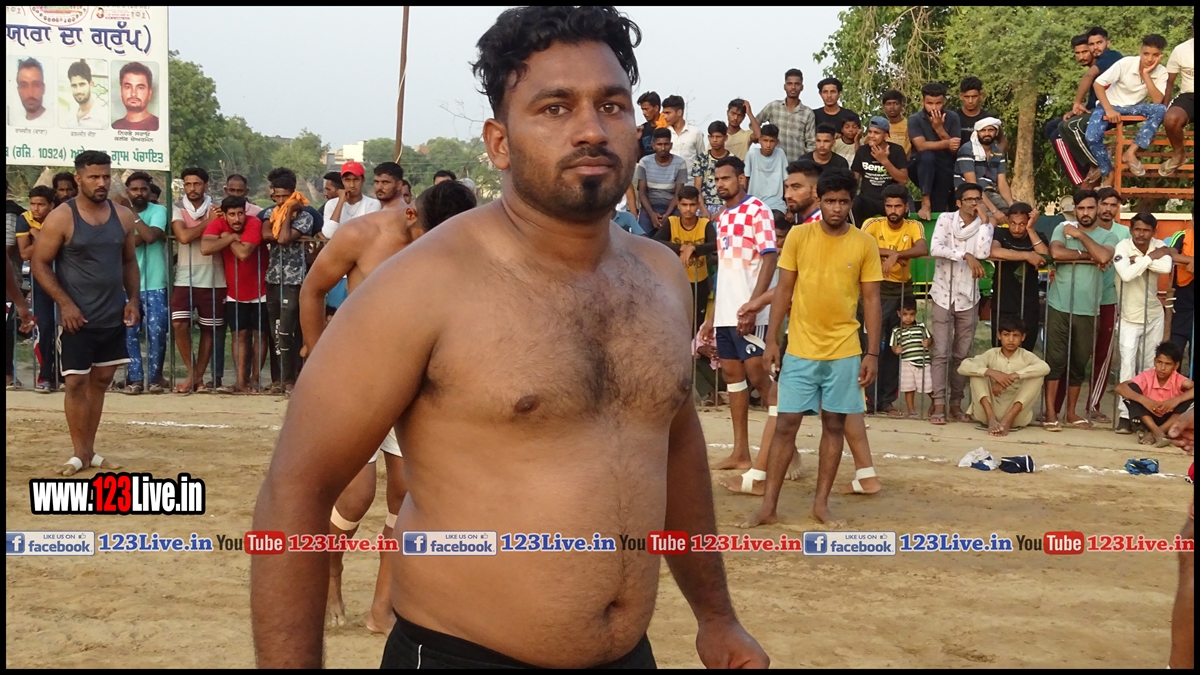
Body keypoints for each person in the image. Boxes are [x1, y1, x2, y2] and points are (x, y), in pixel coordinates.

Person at [251, 6, 768, 669]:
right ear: (498, 142)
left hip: (628, 656)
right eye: (555, 108)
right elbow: (295, 491)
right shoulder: (421, 285)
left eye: (611, 106)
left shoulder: (663, 276)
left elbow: (675, 446)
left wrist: (717, 616)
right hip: (460, 655)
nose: (591, 128)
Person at [299, 184, 474, 635]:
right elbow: (313, 290)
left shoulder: (460, 244)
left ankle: (383, 606)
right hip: (355, 380)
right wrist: (318, 358)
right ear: (412, 215)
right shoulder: (361, 235)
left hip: (418, 386)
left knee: (406, 497)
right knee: (355, 496)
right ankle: (330, 574)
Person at [740, 168, 883, 528]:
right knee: (785, 424)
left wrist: (872, 352)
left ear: (851, 203)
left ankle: (821, 504)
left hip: (845, 349)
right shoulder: (799, 236)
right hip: (801, 347)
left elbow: (871, 299)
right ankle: (768, 507)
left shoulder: (864, 243)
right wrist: (772, 340)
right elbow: (784, 291)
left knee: (834, 425)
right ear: (819, 200)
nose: (836, 208)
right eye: (830, 201)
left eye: (843, 202)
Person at [29, 151, 137, 476]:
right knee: (76, 382)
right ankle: (79, 453)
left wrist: (133, 299)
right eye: (94, 177)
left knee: (101, 381)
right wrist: (65, 304)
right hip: (76, 318)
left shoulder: (123, 216)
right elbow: (39, 263)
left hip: (112, 315)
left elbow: (129, 261)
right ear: (78, 179)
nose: (101, 182)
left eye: (106, 176)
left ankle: (89, 451)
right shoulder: (61, 217)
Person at [703, 156, 778, 472]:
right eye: (717, 179)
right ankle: (740, 452)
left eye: (726, 178)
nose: (721, 184)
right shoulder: (720, 218)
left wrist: (755, 304)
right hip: (725, 312)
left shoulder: (758, 210)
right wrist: (712, 316)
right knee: (732, 378)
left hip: (751, 312)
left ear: (741, 179)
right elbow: (724, 270)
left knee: (759, 377)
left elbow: (770, 257)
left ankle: (784, 449)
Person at [1044, 189, 1118, 431]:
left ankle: (1071, 413)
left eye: (1090, 208)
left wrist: (1079, 236)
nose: (1086, 213)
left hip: (1089, 309)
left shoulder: (1108, 236)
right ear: (1074, 209)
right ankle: (1050, 413)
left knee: (1079, 363)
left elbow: (1104, 256)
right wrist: (1089, 255)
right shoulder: (1061, 228)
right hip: (1059, 305)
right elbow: (1056, 253)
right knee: (1055, 361)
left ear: (1097, 208)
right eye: (1081, 208)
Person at [928, 182, 993, 425]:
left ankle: (956, 403)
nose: (974, 203)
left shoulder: (985, 225)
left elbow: (983, 253)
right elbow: (936, 248)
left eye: (978, 199)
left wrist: (985, 222)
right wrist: (965, 255)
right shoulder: (946, 219)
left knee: (962, 355)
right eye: (969, 199)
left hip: (968, 296)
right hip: (943, 293)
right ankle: (938, 404)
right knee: (940, 352)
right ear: (959, 203)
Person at [862, 183, 928, 415]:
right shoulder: (872, 224)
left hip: (902, 292)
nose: (893, 210)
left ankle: (887, 401)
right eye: (889, 206)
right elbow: (861, 245)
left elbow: (922, 248)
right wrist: (890, 254)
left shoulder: (914, 226)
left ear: (906, 207)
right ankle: (867, 399)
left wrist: (897, 255)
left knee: (895, 348)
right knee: (871, 347)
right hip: (875, 291)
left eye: (897, 206)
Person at [1113, 213, 1179, 432]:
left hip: (1153, 315)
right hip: (1129, 317)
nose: (1141, 234)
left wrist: (1138, 261)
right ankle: (1125, 415)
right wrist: (1151, 258)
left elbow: (1166, 268)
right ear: (1131, 230)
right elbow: (1126, 275)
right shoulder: (1123, 246)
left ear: (1153, 231)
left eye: (1146, 230)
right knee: (1127, 366)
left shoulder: (1159, 245)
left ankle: (1145, 417)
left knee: (1150, 367)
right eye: (1137, 229)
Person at [259, 167, 322, 396]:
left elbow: (283, 238)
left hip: (294, 279)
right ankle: (282, 378)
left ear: (293, 194)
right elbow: (265, 234)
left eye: (285, 197)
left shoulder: (304, 216)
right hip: (273, 277)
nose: (280, 201)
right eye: (277, 196)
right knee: (276, 331)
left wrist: (287, 213)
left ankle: (291, 380)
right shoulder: (269, 213)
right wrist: (282, 220)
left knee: (287, 331)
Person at [1075, 186, 1132, 423]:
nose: (1108, 209)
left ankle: (1093, 405)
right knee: (1075, 353)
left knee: (1103, 354)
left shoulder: (1125, 233)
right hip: (1079, 299)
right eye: (1104, 204)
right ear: (1096, 205)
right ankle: (1059, 407)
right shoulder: (1082, 228)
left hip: (1109, 298)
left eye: (1113, 205)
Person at [200, 196, 267, 393]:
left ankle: (254, 380)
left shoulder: (254, 223)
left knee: (260, 334)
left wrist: (223, 238)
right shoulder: (218, 224)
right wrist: (230, 237)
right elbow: (205, 248)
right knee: (239, 334)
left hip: (261, 289)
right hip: (235, 291)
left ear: (245, 212)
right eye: (232, 214)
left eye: (240, 213)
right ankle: (240, 382)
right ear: (225, 215)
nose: (237, 219)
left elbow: (244, 253)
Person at [170, 167, 227, 393]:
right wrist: (208, 223)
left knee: (209, 329)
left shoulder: (218, 208)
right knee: (179, 324)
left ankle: (197, 379)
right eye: (188, 184)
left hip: (214, 277)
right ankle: (194, 374)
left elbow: (220, 235)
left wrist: (208, 224)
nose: (192, 188)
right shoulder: (177, 208)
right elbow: (183, 237)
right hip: (185, 276)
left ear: (206, 185)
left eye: (197, 184)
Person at [1086, 34, 1169, 183]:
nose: (1149, 59)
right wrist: (1109, 109)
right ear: (1140, 52)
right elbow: (1098, 84)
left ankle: (1130, 153)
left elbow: (1157, 100)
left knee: (1160, 109)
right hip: (1109, 105)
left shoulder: (1161, 71)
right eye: (1146, 54)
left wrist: (1146, 75)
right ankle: (1108, 173)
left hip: (1133, 107)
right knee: (1092, 136)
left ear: (1161, 56)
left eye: (1155, 55)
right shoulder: (1125, 63)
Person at [958, 316, 1050, 436]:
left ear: (1023, 337)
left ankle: (1007, 421)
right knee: (977, 373)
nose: (1011, 340)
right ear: (999, 336)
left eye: (1015, 335)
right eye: (1006, 335)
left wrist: (1012, 377)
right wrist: (993, 373)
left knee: (1037, 376)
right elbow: (963, 366)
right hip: (986, 413)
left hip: (1017, 416)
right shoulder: (991, 354)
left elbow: (1045, 367)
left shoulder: (1027, 356)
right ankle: (992, 419)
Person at [121, 172, 169, 395]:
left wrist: (132, 214)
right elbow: (127, 241)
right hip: (126, 284)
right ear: (127, 191)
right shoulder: (118, 214)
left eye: (143, 189)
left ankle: (155, 378)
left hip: (154, 282)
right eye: (134, 189)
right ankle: (135, 379)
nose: (139, 193)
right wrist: (136, 235)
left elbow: (149, 237)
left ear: (149, 191)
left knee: (156, 332)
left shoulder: (158, 211)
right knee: (129, 332)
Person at [14, 186, 59, 391]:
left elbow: (61, 247)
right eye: (33, 204)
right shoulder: (25, 219)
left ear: (51, 205)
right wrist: (44, 238)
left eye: (41, 204)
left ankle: (63, 375)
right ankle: (45, 375)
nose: (35, 208)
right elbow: (25, 254)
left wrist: (38, 235)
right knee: (44, 326)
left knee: (65, 328)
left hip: (65, 279)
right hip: (40, 280)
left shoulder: (60, 217)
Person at [654, 186, 715, 329]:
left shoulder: (704, 224)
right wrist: (681, 247)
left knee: (697, 322)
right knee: (675, 320)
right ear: (678, 205)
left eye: (692, 205)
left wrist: (694, 248)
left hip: (699, 281)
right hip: (676, 280)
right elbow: (655, 241)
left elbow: (715, 244)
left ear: (698, 205)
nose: (688, 209)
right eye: (684, 205)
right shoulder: (672, 222)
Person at [988, 201, 1046, 352]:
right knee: (1000, 346)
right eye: (1013, 223)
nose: (1017, 228)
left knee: (1026, 346)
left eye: (1022, 224)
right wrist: (1027, 256)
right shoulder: (1001, 234)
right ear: (1007, 220)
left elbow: (1045, 257)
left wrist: (1031, 229)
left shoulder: (1037, 236)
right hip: (1003, 300)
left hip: (1029, 301)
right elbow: (994, 251)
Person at [1115, 342, 1194, 446]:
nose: (1162, 368)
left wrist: (1176, 400)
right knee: (1131, 390)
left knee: (1189, 399)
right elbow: (1120, 387)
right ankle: (1157, 432)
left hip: (1170, 420)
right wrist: (1144, 400)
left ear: (1176, 365)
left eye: (1168, 364)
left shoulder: (1178, 379)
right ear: (1154, 361)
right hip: (1148, 419)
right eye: (1159, 362)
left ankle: (1155, 433)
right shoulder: (1147, 376)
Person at [909, 81, 963, 220]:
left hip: (945, 166)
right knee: (927, 156)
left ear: (944, 102)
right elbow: (921, 146)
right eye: (930, 103)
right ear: (922, 102)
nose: (934, 107)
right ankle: (925, 201)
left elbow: (954, 149)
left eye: (938, 103)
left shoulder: (953, 117)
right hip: (920, 166)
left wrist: (939, 129)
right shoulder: (915, 119)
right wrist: (947, 142)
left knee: (939, 205)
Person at [851, 116, 909, 225]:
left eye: (876, 133)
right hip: (867, 199)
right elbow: (854, 178)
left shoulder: (897, 150)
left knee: (900, 205)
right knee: (855, 203)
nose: (871, 136)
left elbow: (903, 179)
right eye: (870, 132)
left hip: (889, 199)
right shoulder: (862, 151)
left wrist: (884, 161)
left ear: (886, 136)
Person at [954, 117, 1012, 223]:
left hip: (990, 194)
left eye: (990, 130)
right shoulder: (967, 150)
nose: (987, 134)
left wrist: (1012, 207)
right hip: (970, 195)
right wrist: (995, 211)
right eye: (983, 130)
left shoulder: (998, 152)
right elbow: (972, 184)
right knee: (990, 219)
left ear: (996, 132)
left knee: (1021, 213)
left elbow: (1002, 183)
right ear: (977, 132)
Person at [634, 127, 687, 236]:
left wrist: (667, 215)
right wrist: (652, 214)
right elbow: (642, 193)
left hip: (672, 206)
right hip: (649, 206)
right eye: (659, 144)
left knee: (675, 237)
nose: (663, 148)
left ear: (671, 145)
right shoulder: (645, 162)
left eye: (666, 144)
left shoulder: (680, 163)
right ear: (653, 145)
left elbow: (678, 194)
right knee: (641, 237)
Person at [754, 69, 816, 162]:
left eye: (797, 84)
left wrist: (804, 163)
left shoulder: (808, 113)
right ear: (784, 86)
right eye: (790, 84)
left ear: (802, 87)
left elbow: (811, 143)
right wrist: (763, 140)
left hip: (796, 164)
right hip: (773, 163)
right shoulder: (773, 107)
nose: (793, 87)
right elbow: (754, 123)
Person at [1160, 21, 1194, 177]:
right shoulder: (1181, 50)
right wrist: (1163, 107)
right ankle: (1179, 155)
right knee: (1171, 119)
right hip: (1189, 96)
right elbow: (1169, 82)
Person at [890, 297, 933, 419]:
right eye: (905, 314)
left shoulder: (921, 327)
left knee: (929, 386)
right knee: (909, 388)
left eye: (911, 314)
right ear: (899, 314)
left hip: (923, 363)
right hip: (906, 363)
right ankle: (911, 410)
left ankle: (935, 403)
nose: (908, 318)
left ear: (916, 313)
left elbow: (930, 338)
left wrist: (928, 342)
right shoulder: (896, 331)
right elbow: (893, 345)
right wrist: (896, 350)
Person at [322, 161, 382, 239]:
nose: (352, 185)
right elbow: (329, 234)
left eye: (356, 180)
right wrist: (340, 202)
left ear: (363, 180)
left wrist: (341, 233)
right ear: (342, 181)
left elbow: (367, 233)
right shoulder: (331, 204)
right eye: (347, 180)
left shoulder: (372, 204)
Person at [744, 124, 788, 212]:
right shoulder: (752, 154)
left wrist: (789, 208)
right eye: (765, 140)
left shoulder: (780, 154)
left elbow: (786, 181)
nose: (768, 145)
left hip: (776, 204)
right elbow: (745, 180)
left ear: (777, 142)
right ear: (760, 140)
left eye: (772, 141)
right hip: (754, 203)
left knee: (777, 218)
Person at [691, 121, 730, 219]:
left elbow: (733, 191)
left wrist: (720, 213)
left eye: (718, 137)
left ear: (725, 138)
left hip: (725, 206)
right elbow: (697, 187)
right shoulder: (701, 159)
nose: (714, 140)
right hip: (703, 205)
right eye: (712, 137)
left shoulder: (732, 160)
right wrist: (703, 210)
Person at [1168, 218, 1194, 358]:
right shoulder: (1181, 235)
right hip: (1181, 305)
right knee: (1174, 351)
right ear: (1192, 220)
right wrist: (1191, 261)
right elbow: (1171, 254)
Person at [660, 94, 706, 172]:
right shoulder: (664, 134)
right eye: (664, 113)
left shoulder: (695, 133)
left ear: (679, 112)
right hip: (669, 178)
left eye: (668, 113)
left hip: (690, 178)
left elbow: (702, 159)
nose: (665, 117)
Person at [111, 61, 159, 131]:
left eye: (140, 88)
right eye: (128, 87)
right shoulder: (114, 127)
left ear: (149, 93)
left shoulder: (158, 125)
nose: (133, 94)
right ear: (121, 91)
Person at [952, 76, 999, 145]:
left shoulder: (988, 118)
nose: (970, 101)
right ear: (960, 96)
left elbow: (1002, 140)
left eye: (974, 97)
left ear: (981, 96)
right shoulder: (953, 117)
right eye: (967, 97)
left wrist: (996, 151)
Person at [65, 59, 106, 129]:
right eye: (74, 85)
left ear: (91, 84)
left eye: (82, 84)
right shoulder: (69, 118)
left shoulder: (103, 119)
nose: (78, 91)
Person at [783, 159, 822, 225]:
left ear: (815, 190)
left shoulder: (821, 226)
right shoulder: (810, 224)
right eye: (786, 187)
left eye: (796, 187)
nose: (787, 195)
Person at [15, 57, 50, 126]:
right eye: (23, 86)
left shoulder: (54, 121)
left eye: (36, 85)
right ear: (18, 90)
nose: (30, 94)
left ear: (43, 89)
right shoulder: (16, 125)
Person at [636, 90, 666, 158]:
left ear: (656, 108)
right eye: (642, 110)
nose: (643, 113)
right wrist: (637, 140)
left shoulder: (667, 126)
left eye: (646, 109)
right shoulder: (643, 129)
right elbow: (638, 156)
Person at [881, 89, 910, 153]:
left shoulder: (909, 126)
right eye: (888, 104)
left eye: (896, 103)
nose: (892, 107)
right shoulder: (880, 127)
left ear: (902, 105)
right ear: (883, 107)